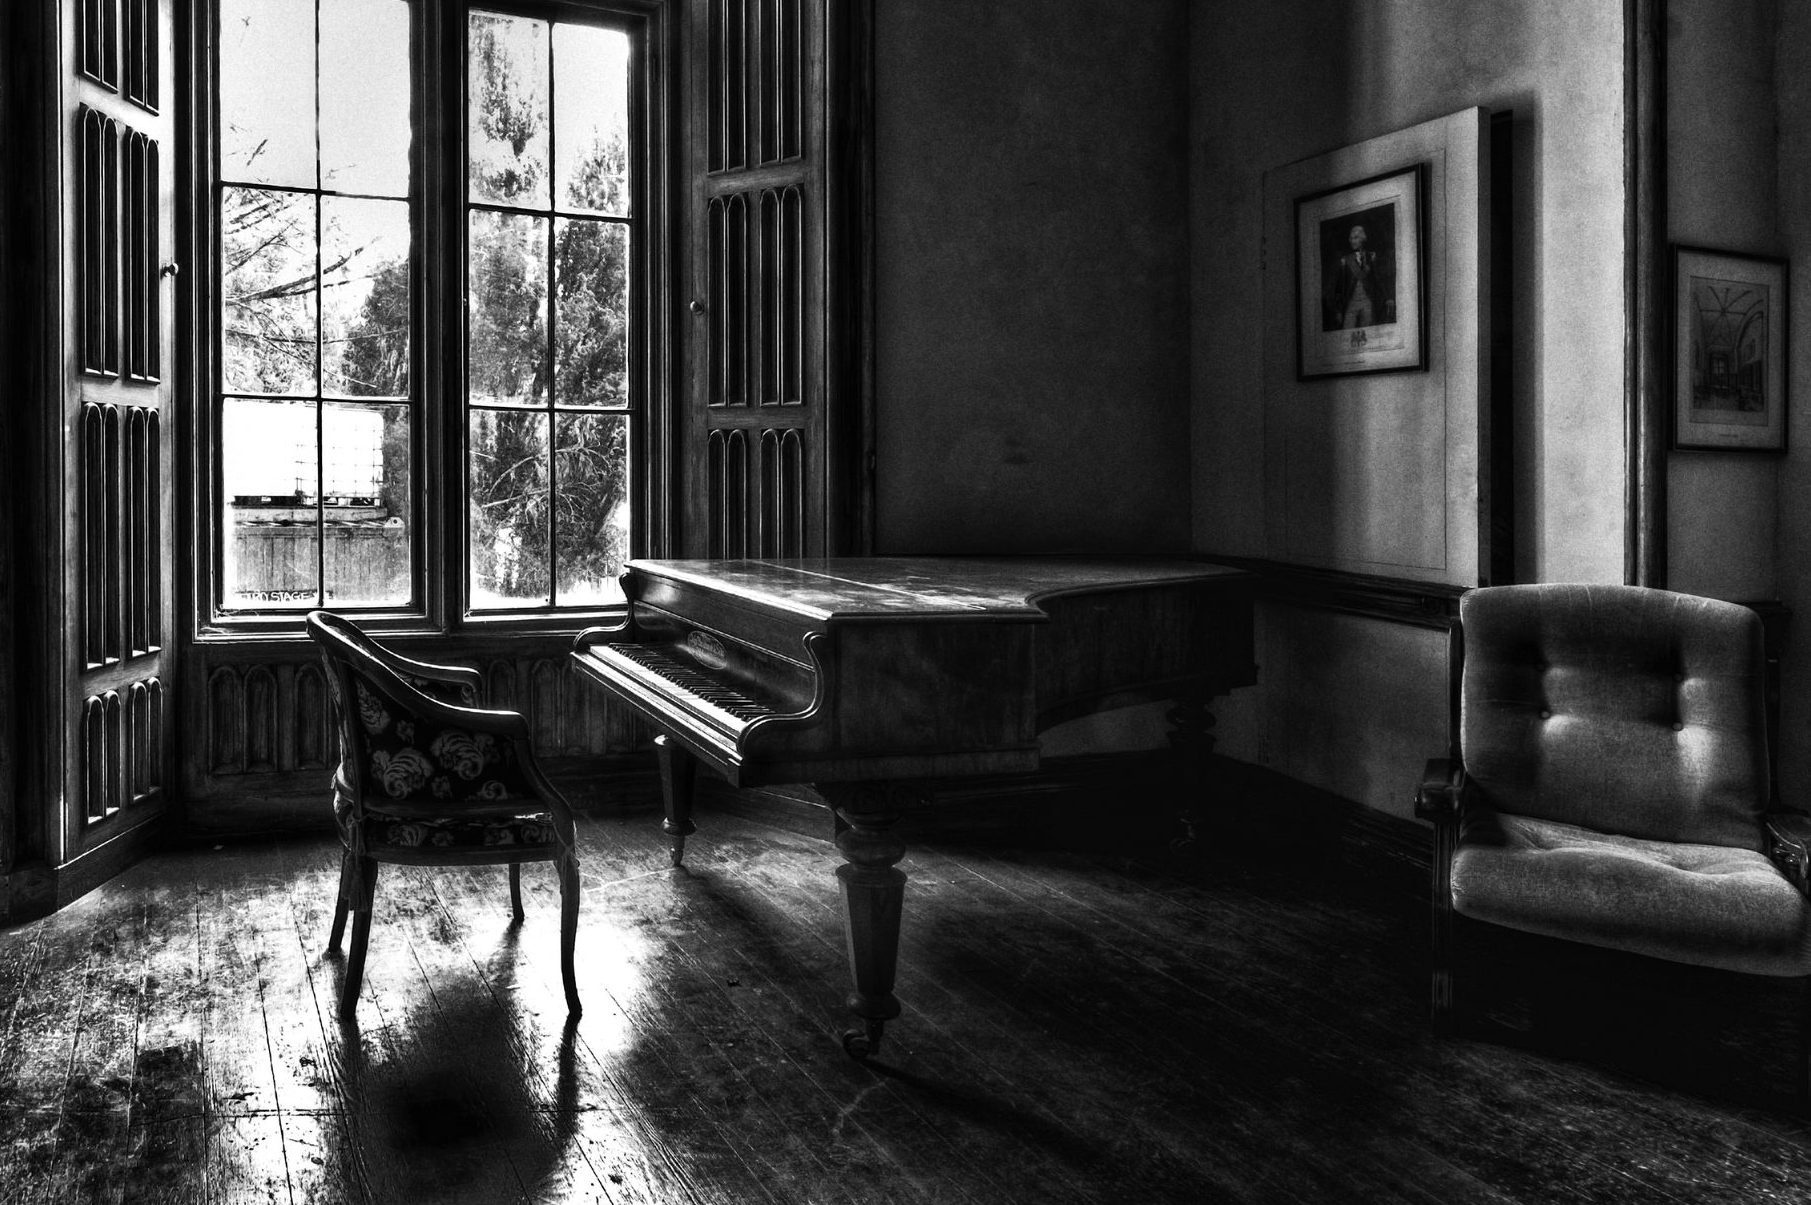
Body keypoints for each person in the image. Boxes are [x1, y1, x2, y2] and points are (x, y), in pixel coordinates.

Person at [1327, 223, 1394, 330]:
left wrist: (1388, 297)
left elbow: (1378, 279)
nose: (1352, 241)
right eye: (1351, 238)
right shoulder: (1345, 260)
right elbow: (1339, 288)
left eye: (1356, 238)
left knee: (1368, 334)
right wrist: (1338, 310)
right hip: (1351, 302)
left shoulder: (1371, 256)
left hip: (1367, 301)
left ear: (1362, 239)